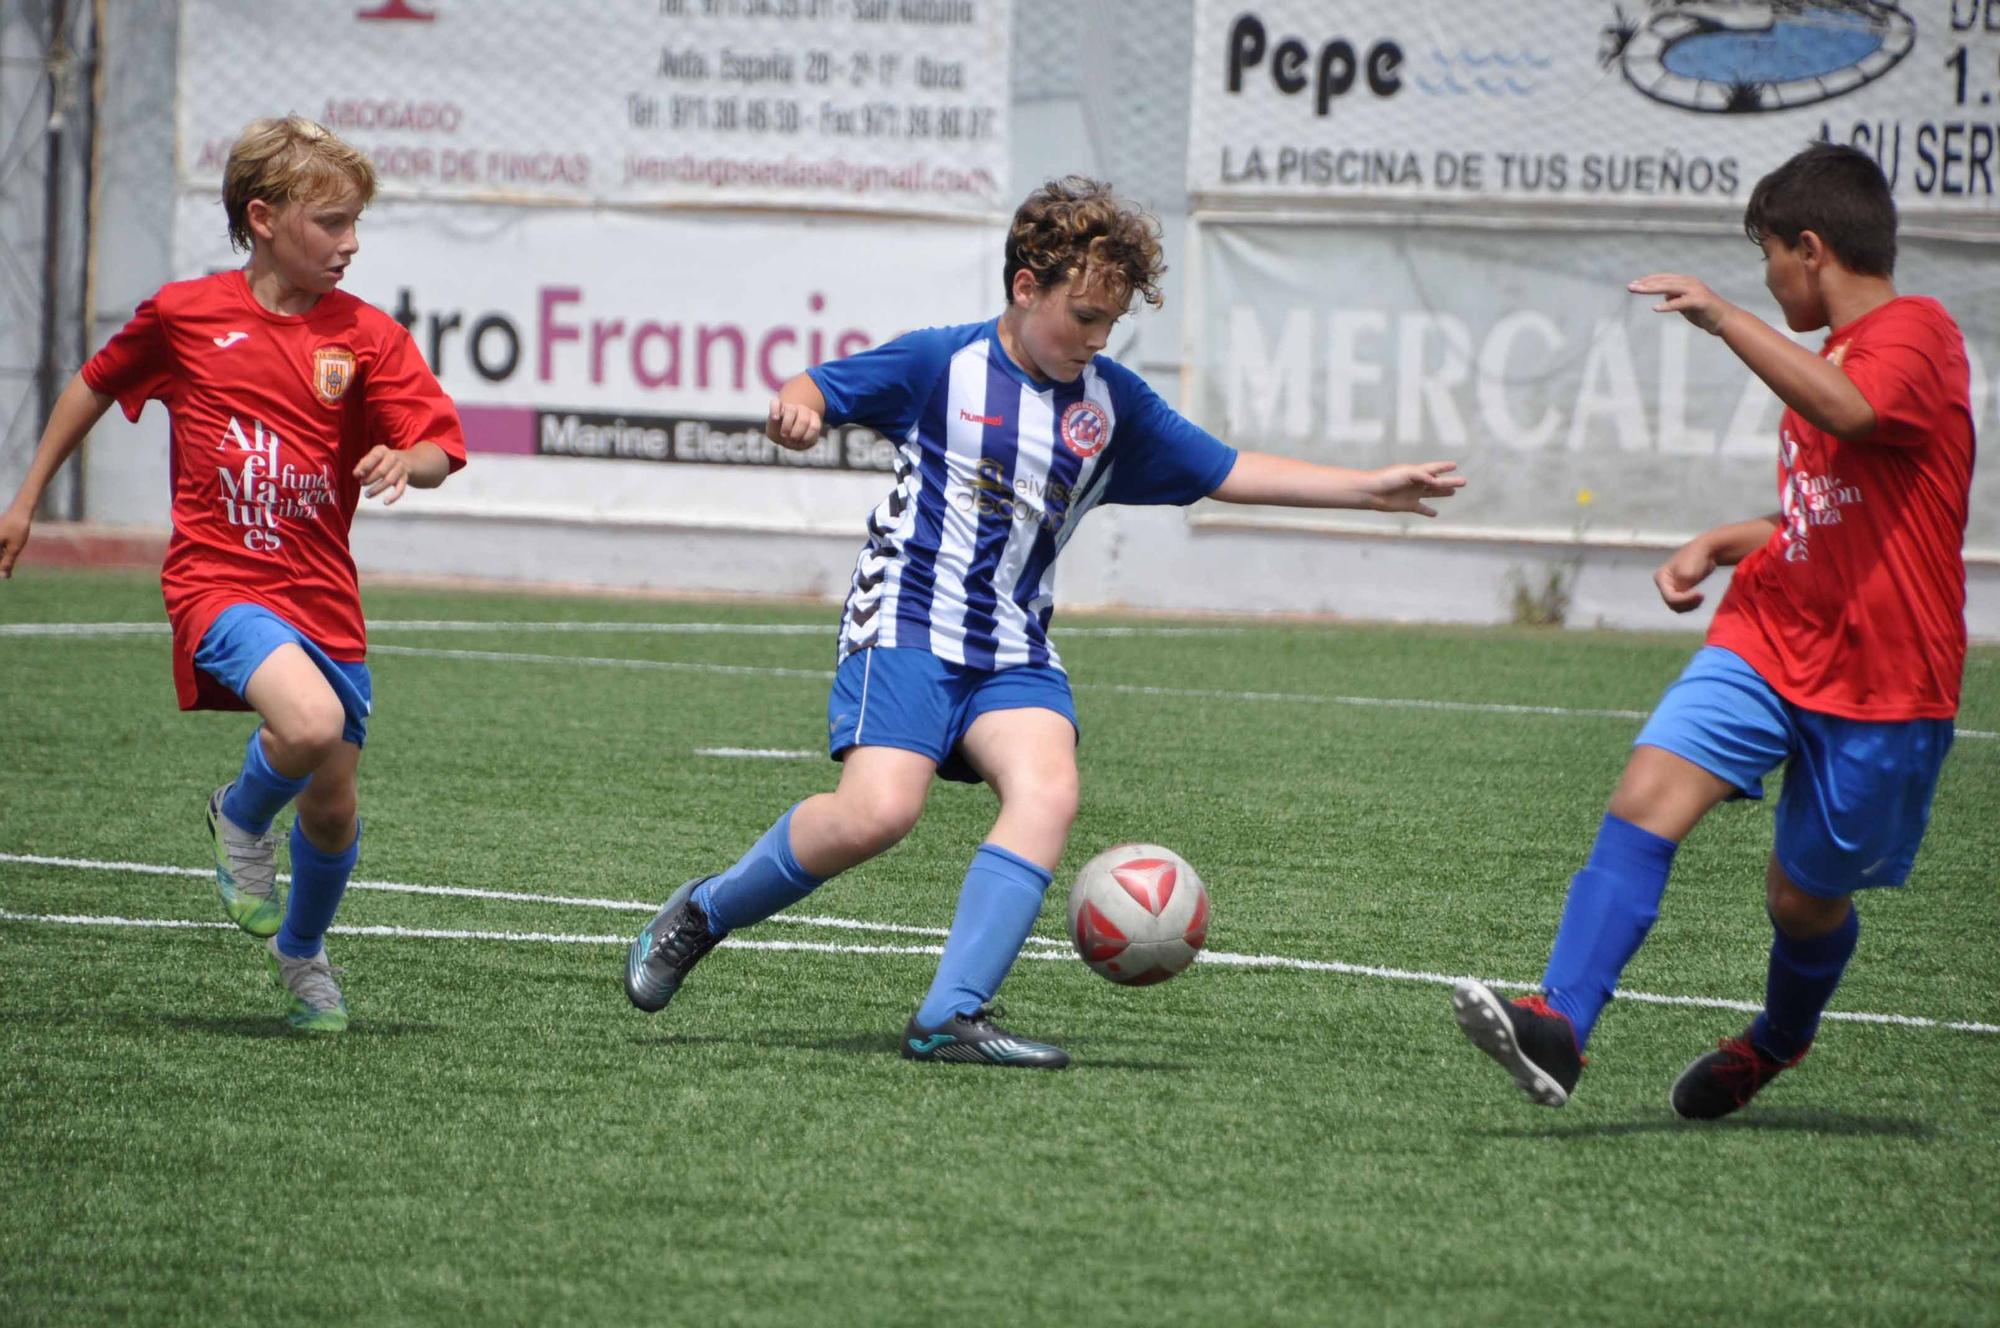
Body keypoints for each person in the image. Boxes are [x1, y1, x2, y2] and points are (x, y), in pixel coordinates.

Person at [624, 175, 1466, 1068]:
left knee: (1049, 791)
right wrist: (798, 408)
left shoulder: (1110, 405)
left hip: (1012, 642)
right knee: (877, 814)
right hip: (908, 619)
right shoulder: (939, 364)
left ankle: (950, 1014)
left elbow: (1223, 468)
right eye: (1085, 317)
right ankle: (704, 912)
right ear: (1026, 288)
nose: (1097, 340)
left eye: (1112, 324)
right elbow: (817, 386)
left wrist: (1365, 489)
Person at [1452, 143, 1973, 1117]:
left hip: (1883, 679)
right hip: (1773, 631)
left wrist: (1720, 318)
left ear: (1808, 250)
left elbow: (1856, 417)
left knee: (1800, 900)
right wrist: (1720, 540)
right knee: (1647, 789)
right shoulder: (1828, 360)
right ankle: (1558, 1022)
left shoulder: (1917, 334)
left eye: (1767, 256)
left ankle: (1776, 1038)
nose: (1764, 280)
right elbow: (1829, 507)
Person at [0, 116, 466, 1032]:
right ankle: (238, 818)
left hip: (323, 595)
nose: (351, 242)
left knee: (332, 810)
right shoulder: (186, 315)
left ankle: (301, 955)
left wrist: (402, 465)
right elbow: (96, 380)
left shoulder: (366, 337)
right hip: (219, 583)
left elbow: (439, 444)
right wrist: (26, 497)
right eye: (331, 222)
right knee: (309, 721)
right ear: (262, 217)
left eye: (356, 222)